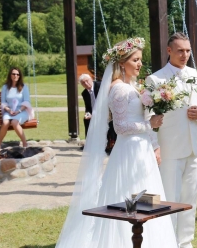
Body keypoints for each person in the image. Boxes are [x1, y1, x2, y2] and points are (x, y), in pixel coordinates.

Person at [56, 38, 177, 248]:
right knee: (130, 199)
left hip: (142, 150)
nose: (140, 64)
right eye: (135, 60)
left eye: (140, 60)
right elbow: (121, 127)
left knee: (147, 198)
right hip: (129, 151)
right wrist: (150, 125)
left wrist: (153, 143)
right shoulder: (119, 89)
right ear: (122, 63)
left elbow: (137, 119)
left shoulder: (132, 87)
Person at [145, 32, 197, 248]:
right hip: (169, 148)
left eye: (188, 50)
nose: (185, 54)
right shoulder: (156, 79)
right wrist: (155, 146)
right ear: (169, 51)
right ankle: (167, 243)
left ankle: (185, 243)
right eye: (180, 50)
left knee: (190, 200)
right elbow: (147, 118)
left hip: (193, 148)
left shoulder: (196, 76)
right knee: (169, 199)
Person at [0, 67, 34, 149]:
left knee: (14, 122)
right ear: (10, 75)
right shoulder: (5, 87)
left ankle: (24, 143)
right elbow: (3, 103)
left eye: (17, 74)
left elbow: (27, 102)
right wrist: (9, 110)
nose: (15, 76)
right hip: (9, 111)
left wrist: (19, 111)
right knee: (5, 123)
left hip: (22, 111)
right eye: (13, 74)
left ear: (20, 76)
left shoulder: (24, 87)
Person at [79, 74, 101, 150]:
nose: (86, 83)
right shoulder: (84, 93)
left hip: (105, 111)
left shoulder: (100, 86)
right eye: (83, 83)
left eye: (87, 81)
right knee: (86, 120)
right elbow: (88, 107)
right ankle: (89, 143)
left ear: (91, 79)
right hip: (94, 113)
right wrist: (87, 114)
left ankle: (108, 144)